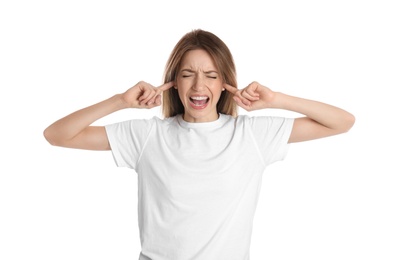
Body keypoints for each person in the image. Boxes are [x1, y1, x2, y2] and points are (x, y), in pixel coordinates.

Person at [44, 29, 355, 260]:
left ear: (224, 84)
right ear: (173, 82)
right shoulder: (147, 135)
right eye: (187, 74)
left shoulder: (252, 135)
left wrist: (276, 100)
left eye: (210, 75)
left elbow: (342, 121)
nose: (198, 85)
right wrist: (120, 101)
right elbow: (57, 135)